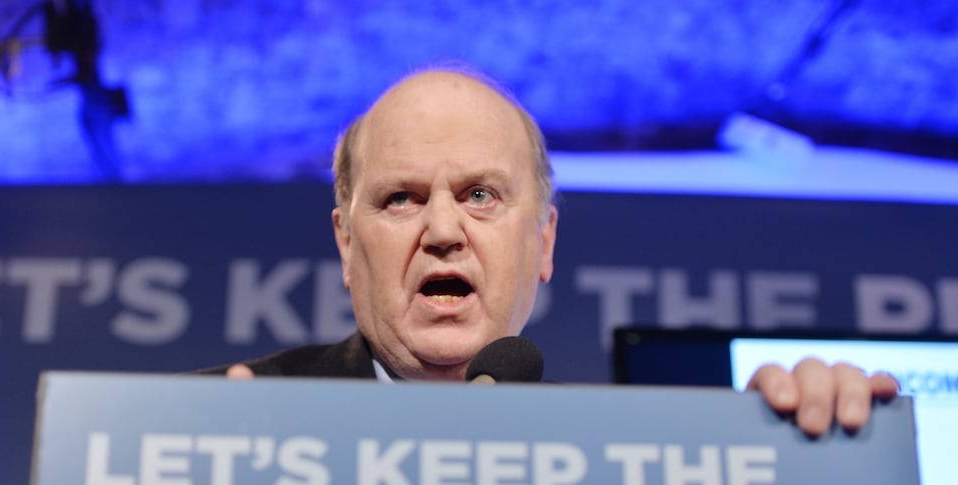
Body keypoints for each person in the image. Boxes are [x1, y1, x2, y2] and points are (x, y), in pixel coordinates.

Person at [209, 66, 898, 436]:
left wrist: (793, 465)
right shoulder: (214, 432)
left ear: (543, 243)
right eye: (402, 199)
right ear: (346, 242)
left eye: (481, 195)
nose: (444, 230)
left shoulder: (635, 466)